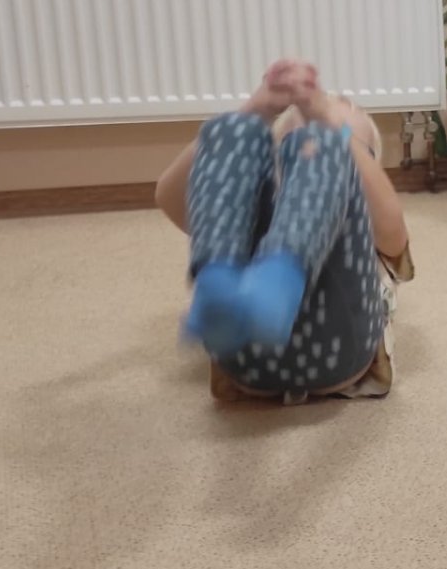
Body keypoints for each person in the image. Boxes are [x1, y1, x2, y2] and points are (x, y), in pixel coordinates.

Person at [154, 59, 413, 404]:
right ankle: (217, 278)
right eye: (293, 142)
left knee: (323, 146)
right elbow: (169, 197)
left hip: (337, 348)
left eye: (352, 139)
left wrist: (331, 130)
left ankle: (280, 275)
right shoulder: (255, 209)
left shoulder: (367, 221)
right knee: (230, 131)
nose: (310, 139)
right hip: (244, 354)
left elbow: (393, 231)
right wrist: (255, 111)